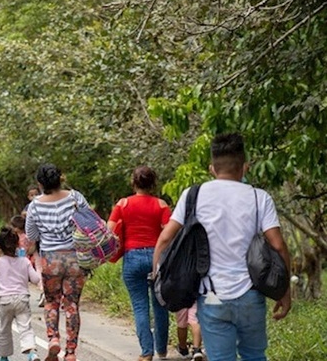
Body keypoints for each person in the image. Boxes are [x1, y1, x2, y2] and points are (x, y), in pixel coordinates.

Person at [153, 133, 292, 361]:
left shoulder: (193, 195)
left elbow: (165, 240)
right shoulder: (260, 198)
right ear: (244, 168)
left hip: (211, 297)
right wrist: (285, 291)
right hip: (250, 295)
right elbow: (278, 245)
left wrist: (158, 281)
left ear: (212, 169)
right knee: (255, 355)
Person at [106, 166, 172, 361]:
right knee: (160, 304)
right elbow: (170, 234)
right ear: (153, 183)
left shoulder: (123, 204)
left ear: (133, 183)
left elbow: (109, 231)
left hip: (132, 257)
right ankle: (162, 350)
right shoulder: (161, 205)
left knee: (140, 306)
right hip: (156, 258)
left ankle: (146, 352)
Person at [24, 163, 88, 361]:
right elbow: (89, 221)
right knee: (71, 305)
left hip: (50, 258)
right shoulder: (75, 197)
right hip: (75, 257)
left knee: (52, 302)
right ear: (61, 178)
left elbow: (31, 235)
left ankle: (53, 339)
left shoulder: (35, 205)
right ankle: (70, 352)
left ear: (40, 183)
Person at [0, 225, 40, 361]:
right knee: (25, 328)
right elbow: (35, 279)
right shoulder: (25, 261)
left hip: (5, 300)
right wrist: (40, 269)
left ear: (0, 247)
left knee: (4, 330)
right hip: (22, 299)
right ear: (18, 244)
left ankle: (4, 357)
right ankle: (32, 353)